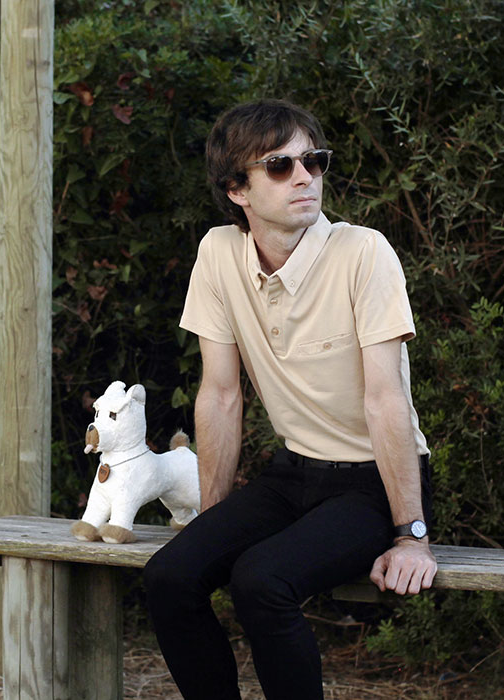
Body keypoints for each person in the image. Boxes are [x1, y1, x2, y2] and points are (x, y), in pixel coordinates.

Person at [143, 98, 436, 700]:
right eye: (280, 166)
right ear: (237, 190)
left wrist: (412, 535)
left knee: (261, 581)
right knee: (170, 576)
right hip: (293, 474)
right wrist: (211, 525)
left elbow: (386, 401)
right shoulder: (218, 254)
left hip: (375, 484)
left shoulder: (364, 252)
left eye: (314, 160)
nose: (304, 177)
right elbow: (221, 395)